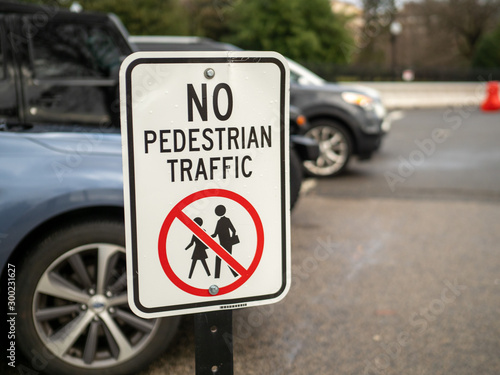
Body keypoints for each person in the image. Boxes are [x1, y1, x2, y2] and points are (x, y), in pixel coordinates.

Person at [211, 205, 239, 278]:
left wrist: (231, 240)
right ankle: (235, 274)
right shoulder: (220, 221)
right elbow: (216, 233)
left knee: (224, 259)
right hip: (223, 243)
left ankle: (217, 276)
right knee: (226, 259)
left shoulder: (225, 220)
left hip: (226, 243)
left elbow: (233, 230)